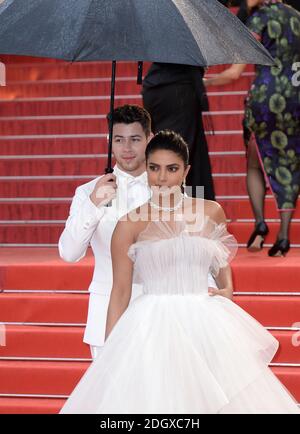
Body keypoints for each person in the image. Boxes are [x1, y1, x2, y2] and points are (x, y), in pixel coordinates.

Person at [60, 131, 300, 414]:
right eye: (154, 168)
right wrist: (112, 352)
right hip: (150, 323)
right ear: (146, 168)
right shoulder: (129, 225)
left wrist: (226, 290)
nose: (162, 178)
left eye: (171, 168)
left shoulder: (211, 212)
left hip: (205, 321)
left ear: (185, 171)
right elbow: (120, 291)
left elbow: (221, 258)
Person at [58, 105, 218, 360]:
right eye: (119, 140)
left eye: (135, 139)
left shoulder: (170, 186)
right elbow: (69, 253)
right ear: (109, 141)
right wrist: (94, 203)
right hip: (108, 315)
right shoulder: (88, 192)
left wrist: (206, 291)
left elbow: (193, 249)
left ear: (149, 139)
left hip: (165, 315)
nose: (126, 148)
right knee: (114, 399)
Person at [205, 0, 300, 257]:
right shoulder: (296, 16)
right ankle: (283, 235)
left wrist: (205, 82)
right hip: (295, 101)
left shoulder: (259, 18)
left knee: (254, 162)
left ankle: (260, 223)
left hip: (265, 100)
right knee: (290, 163)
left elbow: (235, 73)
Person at [142, 63, 216, 201]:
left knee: (166, 149)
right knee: (183, 154)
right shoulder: (188, 45)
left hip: (153, 87)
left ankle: (171, 202)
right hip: (179, 89)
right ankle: (181, 206)